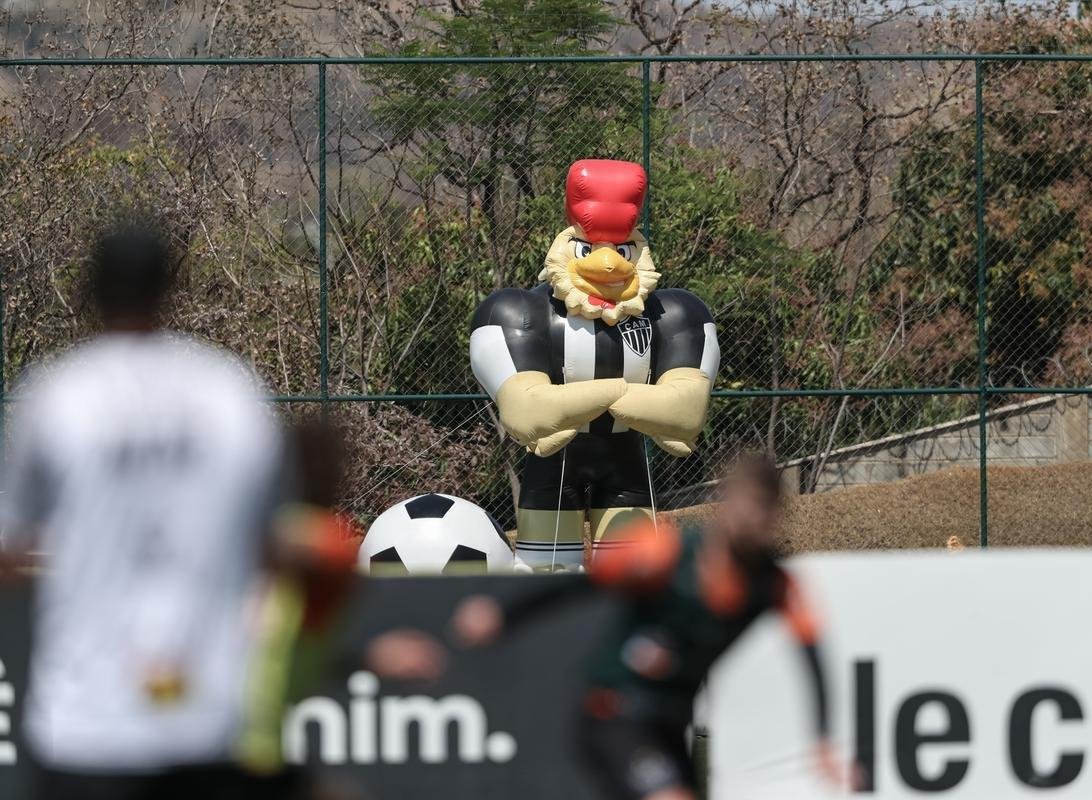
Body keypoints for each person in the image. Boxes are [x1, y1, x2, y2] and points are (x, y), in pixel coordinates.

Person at [0, 227, 368, 800]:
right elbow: (272, 538)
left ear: (90, 294)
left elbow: (9, 550)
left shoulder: (57, 395)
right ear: (170, 289)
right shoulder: (228, 391)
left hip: (86, 720)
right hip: (205, 719)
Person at [369, 454, 847, 800]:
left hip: (667, 722)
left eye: (766, 512)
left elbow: (811, 655)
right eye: (747, 506)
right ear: (728, 507)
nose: (754, 521)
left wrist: (823, 738)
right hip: (613, 714)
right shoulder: (667, 553)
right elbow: (582, 587)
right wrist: (503, 615)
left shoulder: (776, 585)